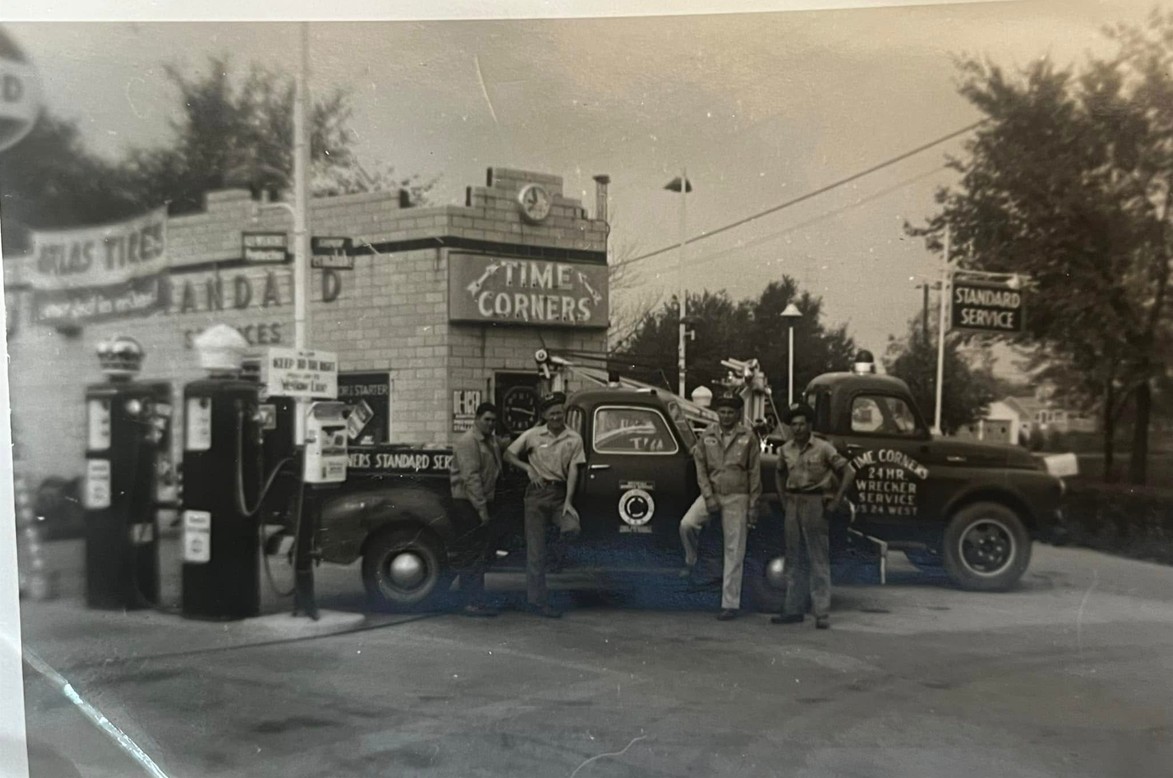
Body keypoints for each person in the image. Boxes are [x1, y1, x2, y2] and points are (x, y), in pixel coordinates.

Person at [772, 402, 855, 629]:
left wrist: (836, 500)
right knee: (793, 557)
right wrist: (783, 498)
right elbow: (779, 473)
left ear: (809, 425)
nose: (797, 428)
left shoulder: (823, 448)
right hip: (793, 502)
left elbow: (849, 472)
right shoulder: (786, 449)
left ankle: (821, 612)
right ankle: (793, 609)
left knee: (818, 557)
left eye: (801, 424)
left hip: (816, 503)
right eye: (793, 425)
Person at [679, 391, 762, 621]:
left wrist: (753, 504)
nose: (725, 416)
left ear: (738, 413)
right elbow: (701, 468)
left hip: (738, 496)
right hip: (713, 494)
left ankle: (730, 604)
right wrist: (709, 497)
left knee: (734, 551)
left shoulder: (749, 437)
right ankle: (691, 562)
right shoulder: (707, 435)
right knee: (687, 524)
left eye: (730, 412)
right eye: (722, 412)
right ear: (717, 413)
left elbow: (755, 473)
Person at [504, 391, 585, 619]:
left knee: (572, 528)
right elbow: (508, 454)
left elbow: (574, 471)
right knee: (535, 553)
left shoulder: (574, 438)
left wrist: (569, 502)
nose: (557, 418)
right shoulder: (532, 435)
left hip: (560, 495)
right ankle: (538, 602)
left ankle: (555, 557)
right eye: (552, 414)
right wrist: (528, 469)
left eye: (559, 413)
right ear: (544, 415)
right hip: (536, 496)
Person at [450, 402, 504, 617]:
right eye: (486, 419)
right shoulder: (468, 442)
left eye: (493, 420)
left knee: (479, 553)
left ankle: (475, 599)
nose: (490, 424)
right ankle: (471, 602)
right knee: (472, 553)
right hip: (468, 503)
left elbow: (502, 447)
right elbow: (471, 478)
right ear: (477, 419)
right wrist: (481, 510)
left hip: (479, 502)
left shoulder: (489, 440)